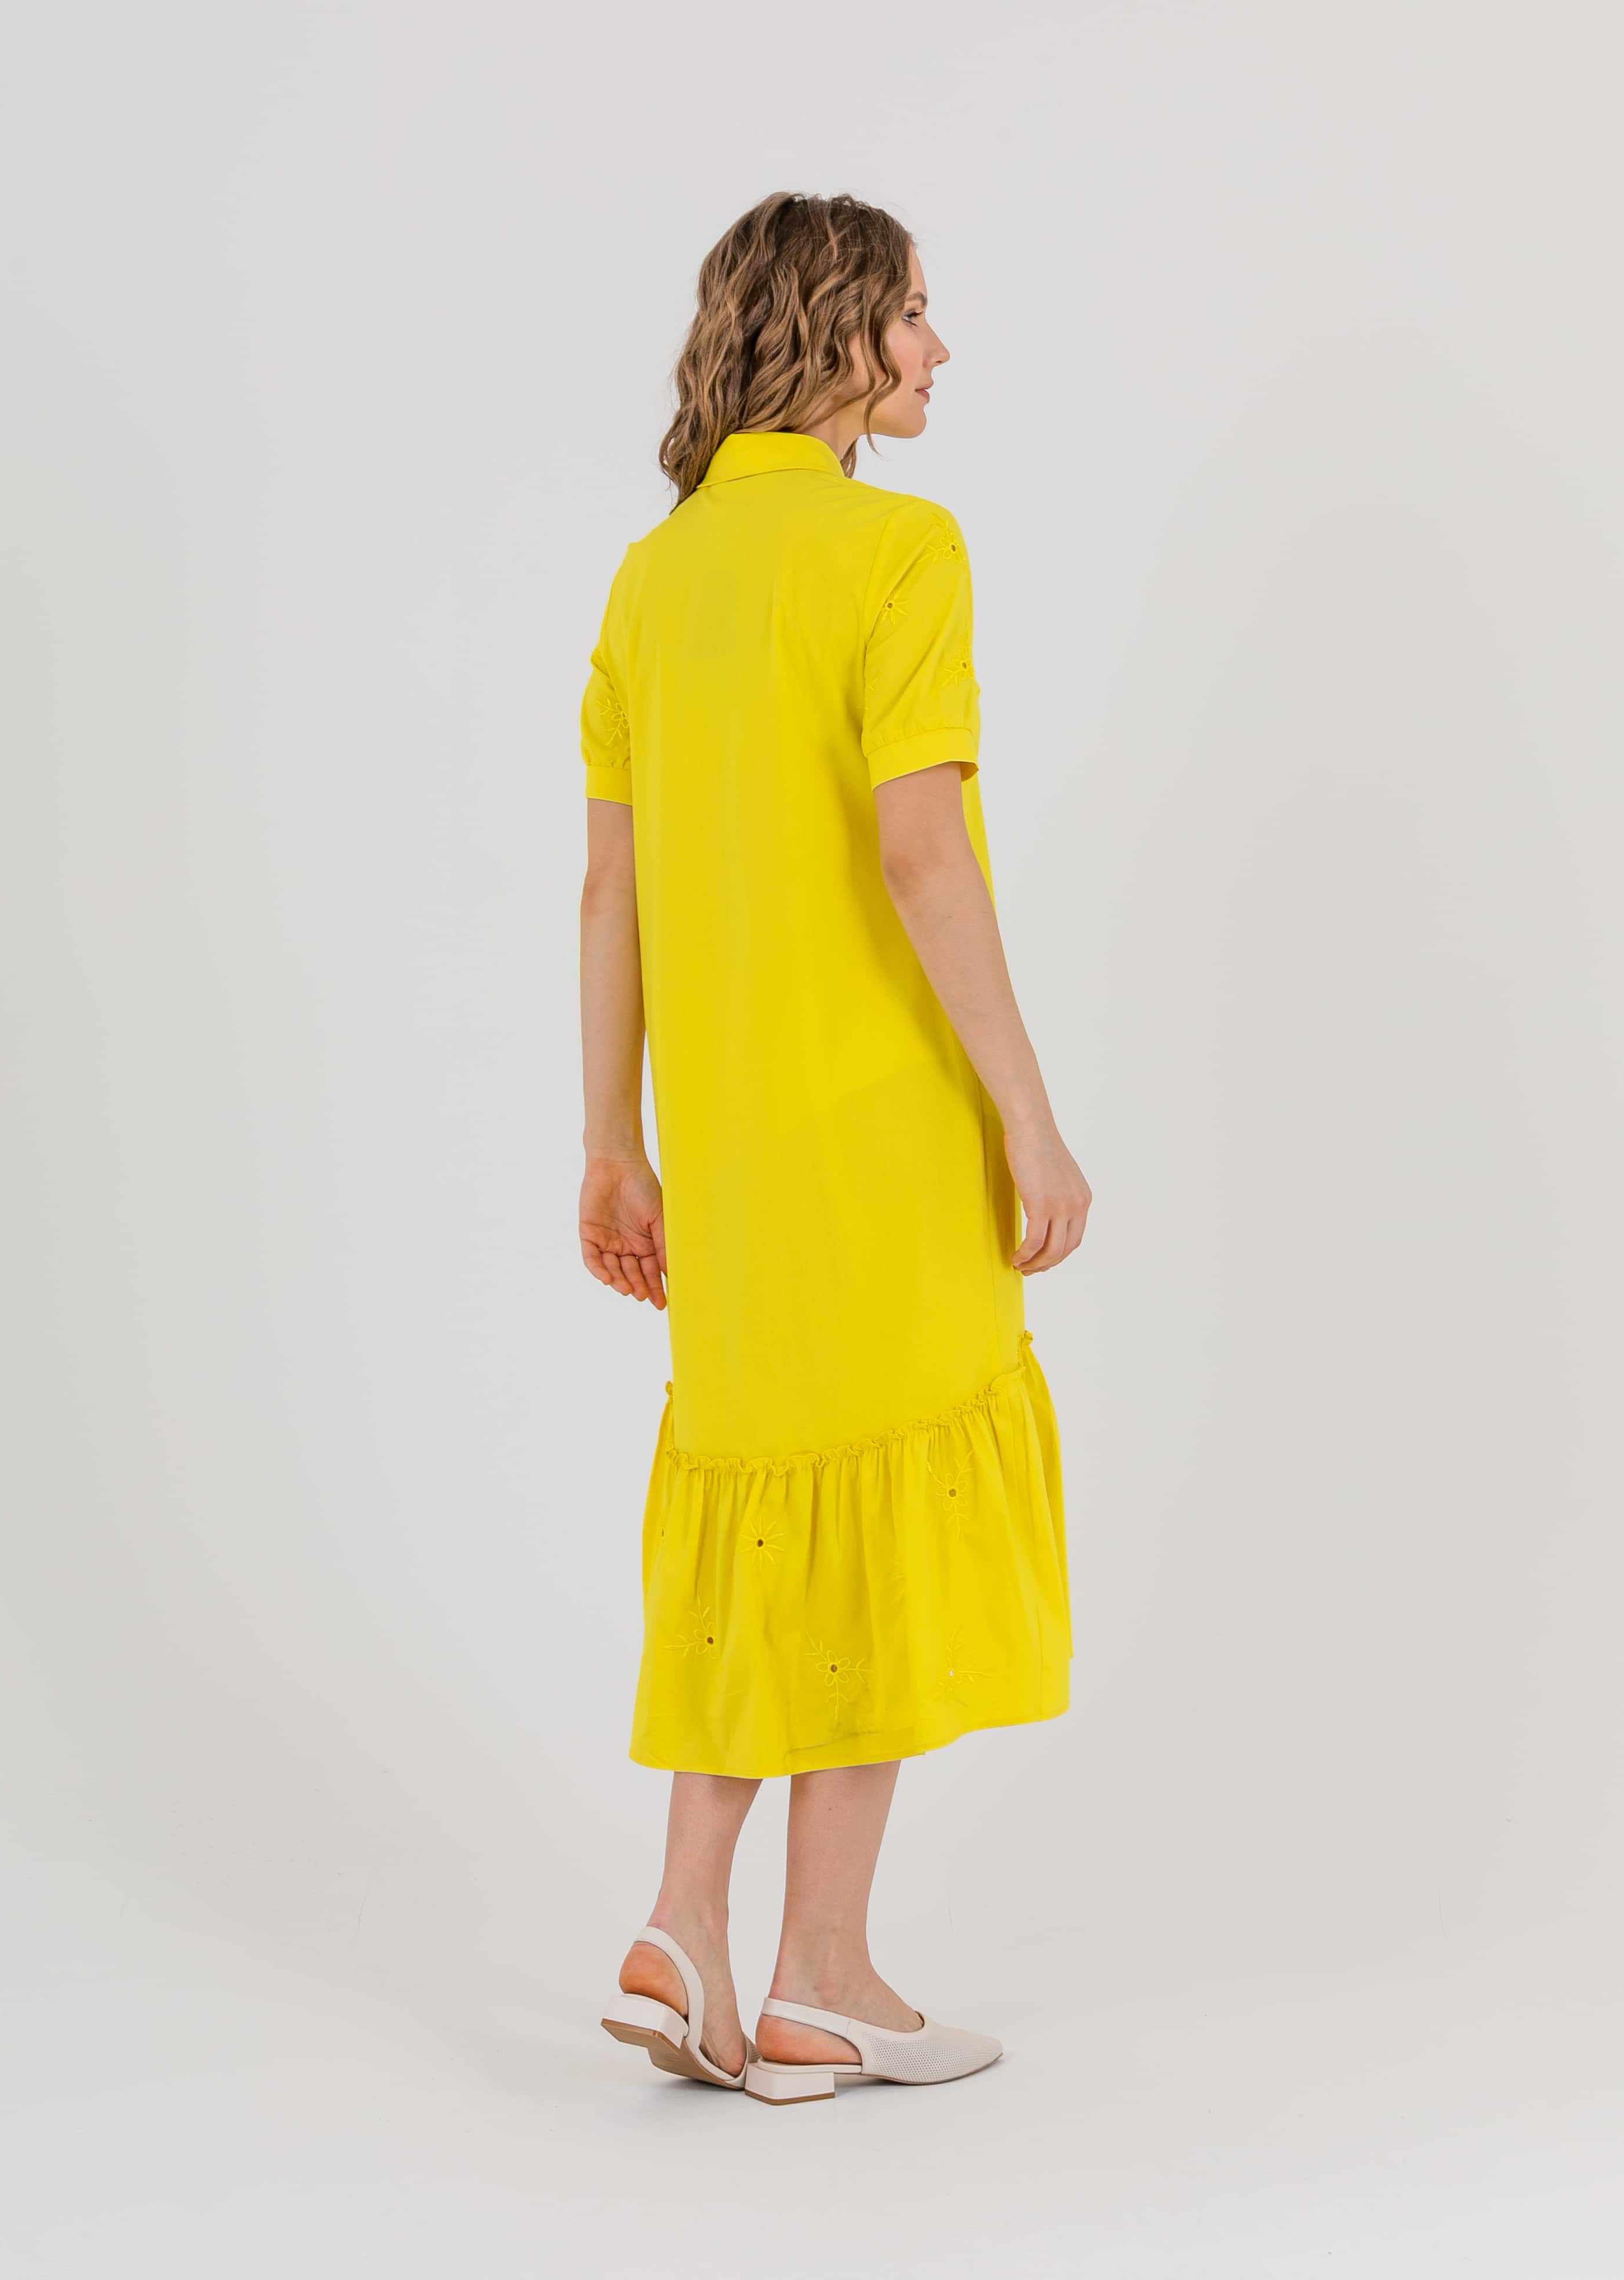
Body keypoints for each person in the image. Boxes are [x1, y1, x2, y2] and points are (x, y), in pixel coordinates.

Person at [578, 191, 1089, 2104]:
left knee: (758, 1502)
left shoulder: (654, 579)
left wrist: (609, 1142)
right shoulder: (897, 548)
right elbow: (918, 848)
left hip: (721, 1137)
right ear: (836, 332)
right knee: (869, 1519)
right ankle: (818, 1973)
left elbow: (611, 888)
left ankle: (691, 1923)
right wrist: (1026, 1113)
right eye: (914, 315)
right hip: (878, 1127)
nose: (939, 350)